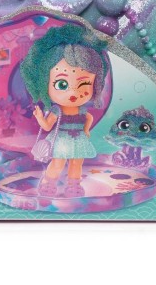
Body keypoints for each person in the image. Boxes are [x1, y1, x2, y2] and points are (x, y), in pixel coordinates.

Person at [21, 24, 111, 197]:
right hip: (61, 140)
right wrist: (40, 117)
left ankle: (73, 185)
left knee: (77, 163)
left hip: (78, 140)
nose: (73, 93)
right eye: (62, 84)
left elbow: (88, 118)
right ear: (44, 83)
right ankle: (48, 182)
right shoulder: (57, 110)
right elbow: (47, 127)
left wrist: (86, 130)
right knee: (58, 163)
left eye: (84, 84)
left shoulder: (82, 109)